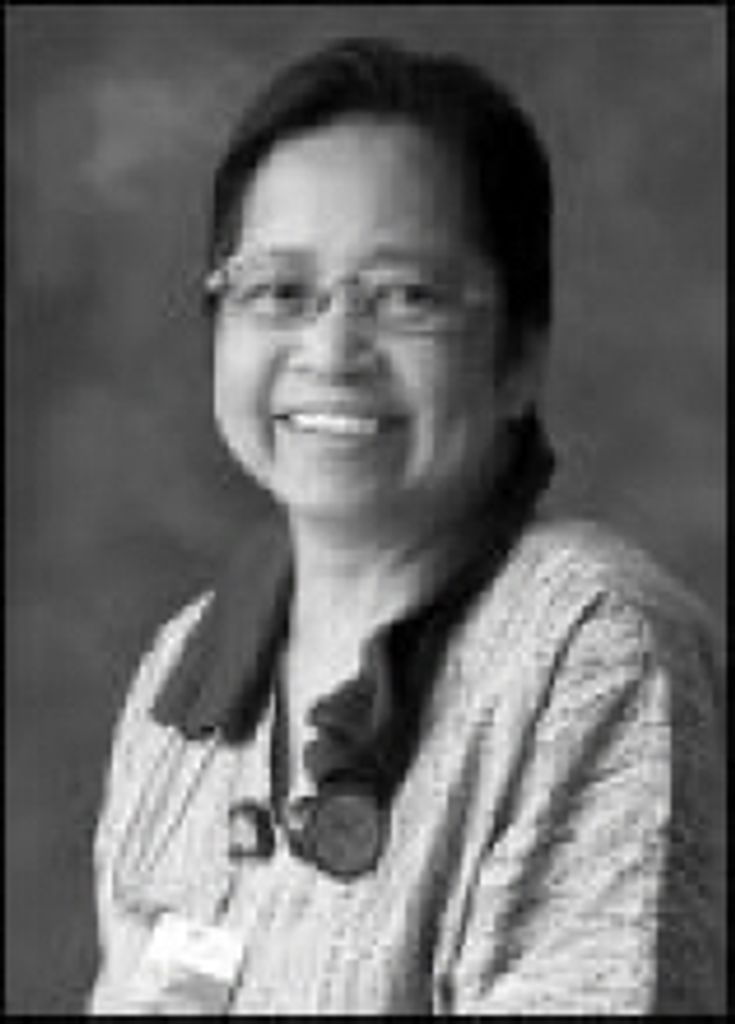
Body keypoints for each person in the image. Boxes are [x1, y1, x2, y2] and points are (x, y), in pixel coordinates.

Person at [87, 37, 725, 1015]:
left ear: (521, 357)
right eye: (278, 292)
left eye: (407, 297)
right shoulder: (180, 678)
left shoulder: (591, 652)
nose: (331, 350)